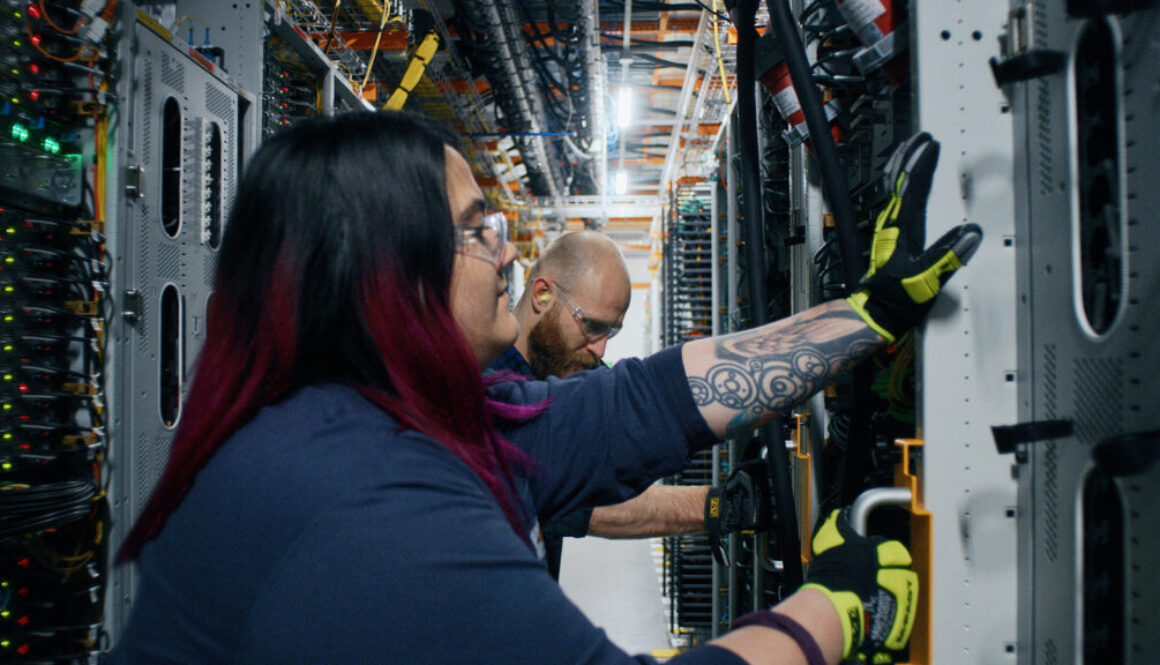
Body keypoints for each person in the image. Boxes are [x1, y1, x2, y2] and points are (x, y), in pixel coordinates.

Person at [108, 113, 978, 665]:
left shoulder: (410, 417)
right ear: (392, 276)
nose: (506, 249)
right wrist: (837, 608)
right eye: (475, 230)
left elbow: (640, 405)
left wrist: (867, 314)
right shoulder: (358, 509)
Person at [497, 230, 772, 578]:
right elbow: (586, 504)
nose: (600, 349)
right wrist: (718, 506)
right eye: (592, 326)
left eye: (610, 332)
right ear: (543, 293)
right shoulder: (491, 389)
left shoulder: (560, 375)